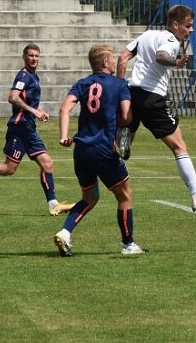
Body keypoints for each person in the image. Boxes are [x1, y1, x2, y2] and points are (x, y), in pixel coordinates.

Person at [116, 4, 196, 213]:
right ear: (175, 24)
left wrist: (118, 90)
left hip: (132, 93)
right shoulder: (171, 40)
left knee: (121, 149)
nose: (191, 30)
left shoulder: (147, 35)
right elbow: (161, 56)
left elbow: (122, 58)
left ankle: (124, 138)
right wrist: (177, 62)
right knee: (179, 147)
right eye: (188, 26)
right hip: (153, 99)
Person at [0, 44, 74, 216]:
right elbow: (12, 97)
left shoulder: (34, 76)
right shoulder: (23, 75)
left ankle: (53, 204)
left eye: (37, 56)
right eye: (31, 56)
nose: (34, 59)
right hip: (19, 128)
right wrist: (35, 111)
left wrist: (35, 115)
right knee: (9, 169)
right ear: (24, 57)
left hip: (29, 128)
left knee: (47, 163)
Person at [54, 45, 143, 256]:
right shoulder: (119, 84)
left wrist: (64, 136)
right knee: (125, 196)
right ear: (104, 63)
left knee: (90, 197)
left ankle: (65, 232)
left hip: (82, 149)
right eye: (111, 59)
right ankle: (128, 244)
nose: (114, 63)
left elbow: (65, 108)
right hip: (104, 149)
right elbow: (127, 117)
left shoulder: (82, 83)